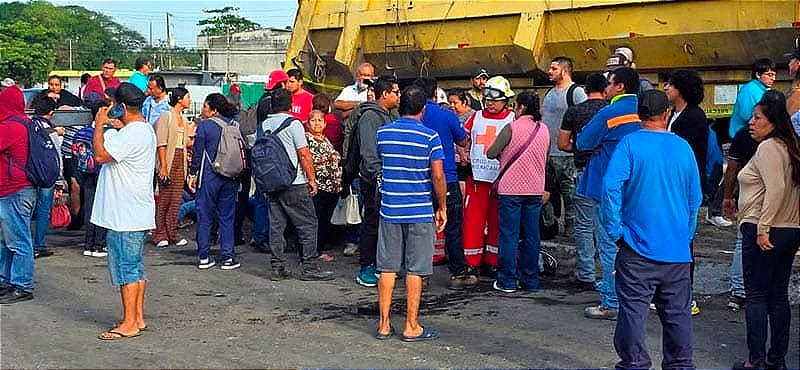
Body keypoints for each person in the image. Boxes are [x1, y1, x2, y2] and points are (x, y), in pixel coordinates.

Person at [602, 89, 702, 369]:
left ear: (639, 115)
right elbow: (695, 198)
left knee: (633, 313)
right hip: (677, 252)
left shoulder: (629, 144)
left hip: (636, 248)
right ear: (667, 114)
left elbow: (611, 187)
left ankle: (634, 364)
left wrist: (616, 230)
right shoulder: (683, 147)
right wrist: (685, 234)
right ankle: (681, 365)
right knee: (678, 315)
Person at [733, 90, 800, 370]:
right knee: (778, 296)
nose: (751, 122)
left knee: (758, 296)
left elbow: (776, 188)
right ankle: (777, 360)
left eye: (757, 117)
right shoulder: (790, 146)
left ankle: (756, 361)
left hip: (766, 228)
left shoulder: (769, 148)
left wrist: (763, 228)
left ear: (771, 121)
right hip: (790, 229)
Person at [375, 85, 447, 342]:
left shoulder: (383, 134)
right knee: (415, 270)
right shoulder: (430, 137)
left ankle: (384, 325)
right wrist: (442, 207)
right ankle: (411, 325)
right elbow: (437, 175)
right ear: (423, 109)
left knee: (387, 268)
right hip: (419, 210)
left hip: (390, 209)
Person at [576, 66, 643, 320]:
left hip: (608, 187)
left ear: (620, 87)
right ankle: (635, 297)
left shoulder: (611, 112)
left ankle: (612, 302)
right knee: (636, 245)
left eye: (610, 82)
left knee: (609, 246)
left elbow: (583, 142)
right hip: (638, 187)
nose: (607, 87)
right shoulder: (646, 111)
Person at [90, 83, 155, 339]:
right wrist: (116, 127)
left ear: (122, 107)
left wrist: (98, 126)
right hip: (134, 211)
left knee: (126, 269)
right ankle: (136, 318)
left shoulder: (132, 134)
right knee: (135, 267)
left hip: (123, 214)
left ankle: (129, 322)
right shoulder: (141, 129)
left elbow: (101, 155)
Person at [260, 88, 334, 281]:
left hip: (272, 182)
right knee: (308, 224)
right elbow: (304, 154)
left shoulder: (264, 124)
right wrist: (312, 179)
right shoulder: (293, 124)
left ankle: (277, 266)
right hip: (294, 182)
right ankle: (309, 267)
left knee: (277, 226)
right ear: (290, 105)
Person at [413, 77, 475, 289]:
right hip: (446, 179)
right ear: (435, 93)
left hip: (419, 180)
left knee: (421, 228)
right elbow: (463, 140)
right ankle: (458, 273)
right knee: (453, 226)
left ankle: (420, 274)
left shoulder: (411, 116)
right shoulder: (446, 115)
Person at [486, 92, 549, 293]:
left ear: (520, 107)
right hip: (535, 189)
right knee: (532, 235)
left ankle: (507, 280)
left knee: (509, 235)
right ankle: (530, 280)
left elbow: (491, 152)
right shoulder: (544, 129)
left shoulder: (511, 127)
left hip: (510, 190)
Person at [557, 72, 608, 290]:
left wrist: (580, 148)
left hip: (584, 172)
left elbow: (562, 143)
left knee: (584, 226)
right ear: (606, 90)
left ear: (585, 91)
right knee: (607, 226)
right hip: (609, 172)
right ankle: (609, 274)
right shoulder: (610, 111)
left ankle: (586, 274)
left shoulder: (574, 111)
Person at [462, 76, 515, 275]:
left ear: (505, 100)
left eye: (496, 100)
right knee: (472, 222)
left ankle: (494, 261)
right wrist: (463, 153)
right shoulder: (475, 117)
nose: (491, 103)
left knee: (498, 222)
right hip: (477, 179)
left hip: (501, 180)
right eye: (488, 99)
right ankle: (471, 262)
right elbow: (462, 138)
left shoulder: (512, 119)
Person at [353, 76, 400, 287]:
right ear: (385, 94)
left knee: (385, 225)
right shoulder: (370, 118)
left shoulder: (391, 116)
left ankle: (382, 264)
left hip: (388, 178)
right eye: (395, 92)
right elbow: (368, 152)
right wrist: (378, 175)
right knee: (371, 223)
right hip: (373, 180)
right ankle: (366, 266)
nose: (398, 96)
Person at [187, 94, 241, 270]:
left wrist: (192, 173)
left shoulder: (205, 126)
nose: (203, 109)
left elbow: (197, 153)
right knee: (227, 217)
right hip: (231, 176)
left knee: (205, 216)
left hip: (209, 176)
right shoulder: (234, 125)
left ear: (213, 109)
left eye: (205, 106)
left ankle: (204, 256)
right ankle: (227, 257)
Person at [0, 85, 37, 304]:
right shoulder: (24, 122)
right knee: (7, 240)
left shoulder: (11, 126)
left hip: (14, 190)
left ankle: (21, 284)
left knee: (18, 239)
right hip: (17, 189)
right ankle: (8, 281)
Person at [542, 56, 587, 235]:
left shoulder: (576, 92)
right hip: (548, 154)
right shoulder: (549, 93)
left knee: (570, 194)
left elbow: (584, 117)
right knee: (547, 193)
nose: (549, 72)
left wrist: (574, 144)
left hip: (566, 155)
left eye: (554, 68)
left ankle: (572, 228)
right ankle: (550, 226)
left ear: (565, 71)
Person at [721, 127, 758, 311]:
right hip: (752, 199)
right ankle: (742, 290)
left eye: (758, 117)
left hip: (749, 197)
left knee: (743, 242)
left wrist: (727, 196)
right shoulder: (785, 136)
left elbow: (732, 168)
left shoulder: (744, 134)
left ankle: (740, 291)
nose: (753, 122)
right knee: (745, 241)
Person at [152, 87, 191, 248]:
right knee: (165, 198)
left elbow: (184, 143)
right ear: (180, 99)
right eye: (187, 97)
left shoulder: (184, 118)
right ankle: (160, 233)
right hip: (168, 158)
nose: (189, 100)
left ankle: (172, 232)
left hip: (180, 160)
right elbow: (162, 143)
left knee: (176, 199)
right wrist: (163, 166)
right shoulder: (166, 116)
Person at [29, 96, 64, 259]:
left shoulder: (29, 126)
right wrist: (59, 180)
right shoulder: (51, 131)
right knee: (43, 210)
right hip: (47, 176)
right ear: (51, 113)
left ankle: (26, 243)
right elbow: (57, 156)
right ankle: (39, 244)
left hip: (30, 174)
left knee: (28, 211)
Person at [306, 109, 342, 262]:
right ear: (308, 124)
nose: (317, 123)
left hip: (331, 188)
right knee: (315, 219)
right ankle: (313, 250)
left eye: (320, 120)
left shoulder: (325, 140)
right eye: (313, 120)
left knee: (324, 220)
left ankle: (319, 248)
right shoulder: (307, 139)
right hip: (318, 187)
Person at [729, 58, 775, 138]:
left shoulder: (762, 89)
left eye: (774, 75)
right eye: (769, 75)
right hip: (743, 135)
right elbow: (746, 115)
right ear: (758, 75)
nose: (773, 78)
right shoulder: (749, 90)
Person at [785, 48, 800, 116]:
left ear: (798, 63)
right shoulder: (796, 83)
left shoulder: (798, 91)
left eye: (791, 61)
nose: (789, 64)